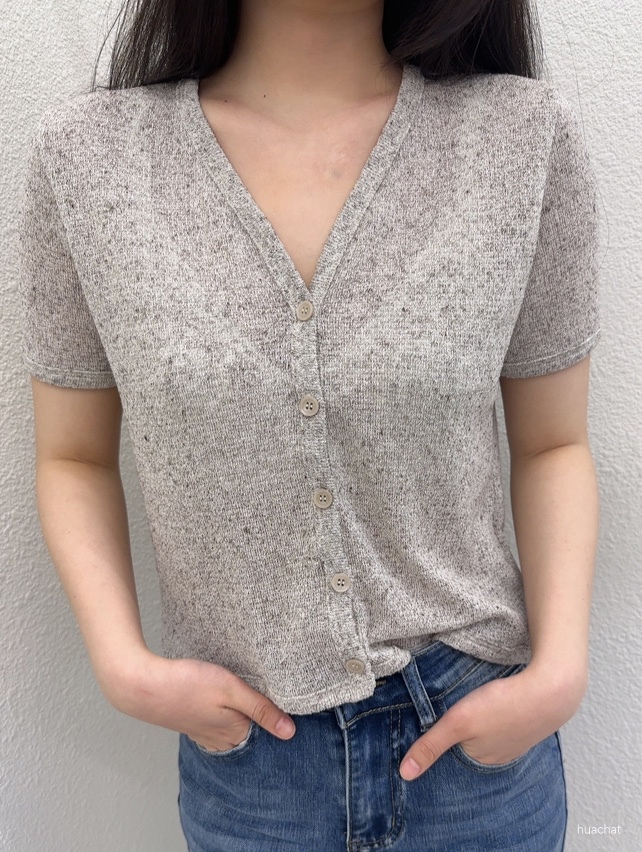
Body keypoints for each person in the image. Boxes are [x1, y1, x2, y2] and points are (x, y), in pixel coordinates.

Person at [16, 0, 602, 849]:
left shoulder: (519, 139)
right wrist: (123, 665)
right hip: (250, 768)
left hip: (477, 747)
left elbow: (554, 444)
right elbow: (72, 455)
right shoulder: (90, 160)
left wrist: (559, 672)